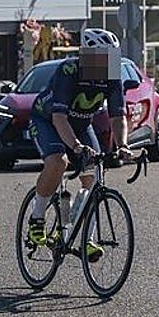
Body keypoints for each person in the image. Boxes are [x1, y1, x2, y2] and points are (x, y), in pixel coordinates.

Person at [25, 28, 133, 256]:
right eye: (103, 58)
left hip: (82, 124)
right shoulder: (70, 70)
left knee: (93, 176)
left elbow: (118, 116)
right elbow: (59, 117)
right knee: (58, 162)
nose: (108, 64)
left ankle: (85, 237)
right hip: (47, 120)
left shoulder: (112, 76)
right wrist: (75, 146)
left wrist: (123, 145)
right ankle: (37, 218)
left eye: (111, 57)